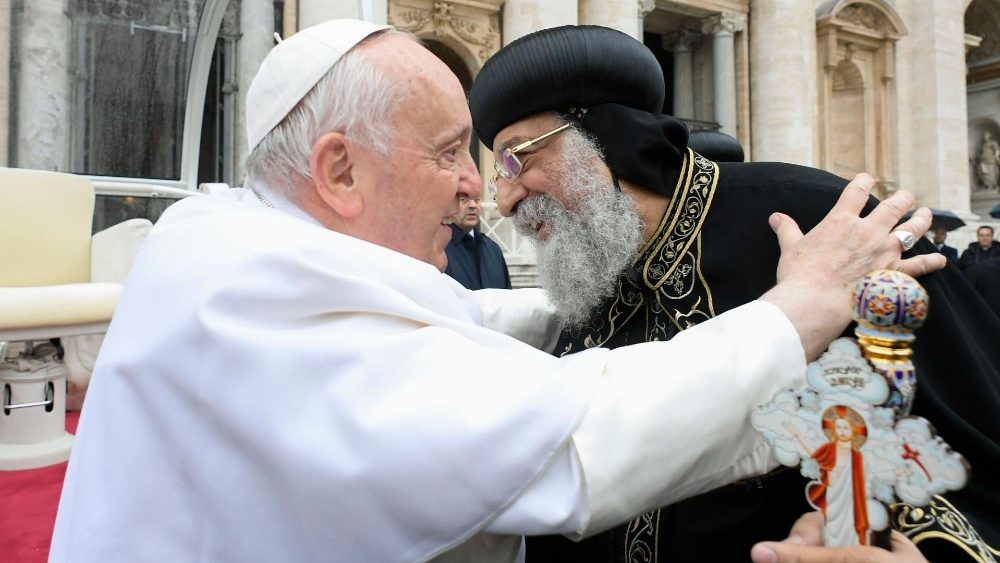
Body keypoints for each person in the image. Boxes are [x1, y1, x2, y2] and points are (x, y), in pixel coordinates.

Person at [49, 20, 940, 563]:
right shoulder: (263, 309)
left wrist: (600, 285)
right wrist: (802, 305)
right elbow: (575, 441)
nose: (479, 191)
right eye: (451, 154)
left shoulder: (236, 247)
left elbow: (459, 325)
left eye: (501, 158)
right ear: (340, 171)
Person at [468, 24, 1000, 563]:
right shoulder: (597, 272)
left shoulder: (815, 221)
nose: (506, 199)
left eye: (517, 159)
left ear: (602, 136)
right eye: (496, 174)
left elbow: (959, 451)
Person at [807, 406, 869, 547]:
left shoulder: (858, 455)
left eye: (846, 428)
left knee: (849, 524)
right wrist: (797, 435)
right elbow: (814, 455)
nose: (842, 431)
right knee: (832, 524)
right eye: (839, 427)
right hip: (833, 492)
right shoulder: (830, 448)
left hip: (850, 494)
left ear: (853, 430)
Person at [444, 192, 511, 290]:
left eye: (477, 200)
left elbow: (507, 298)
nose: (473, 205)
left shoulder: (493, 249)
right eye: (463, 200)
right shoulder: (439, 248)